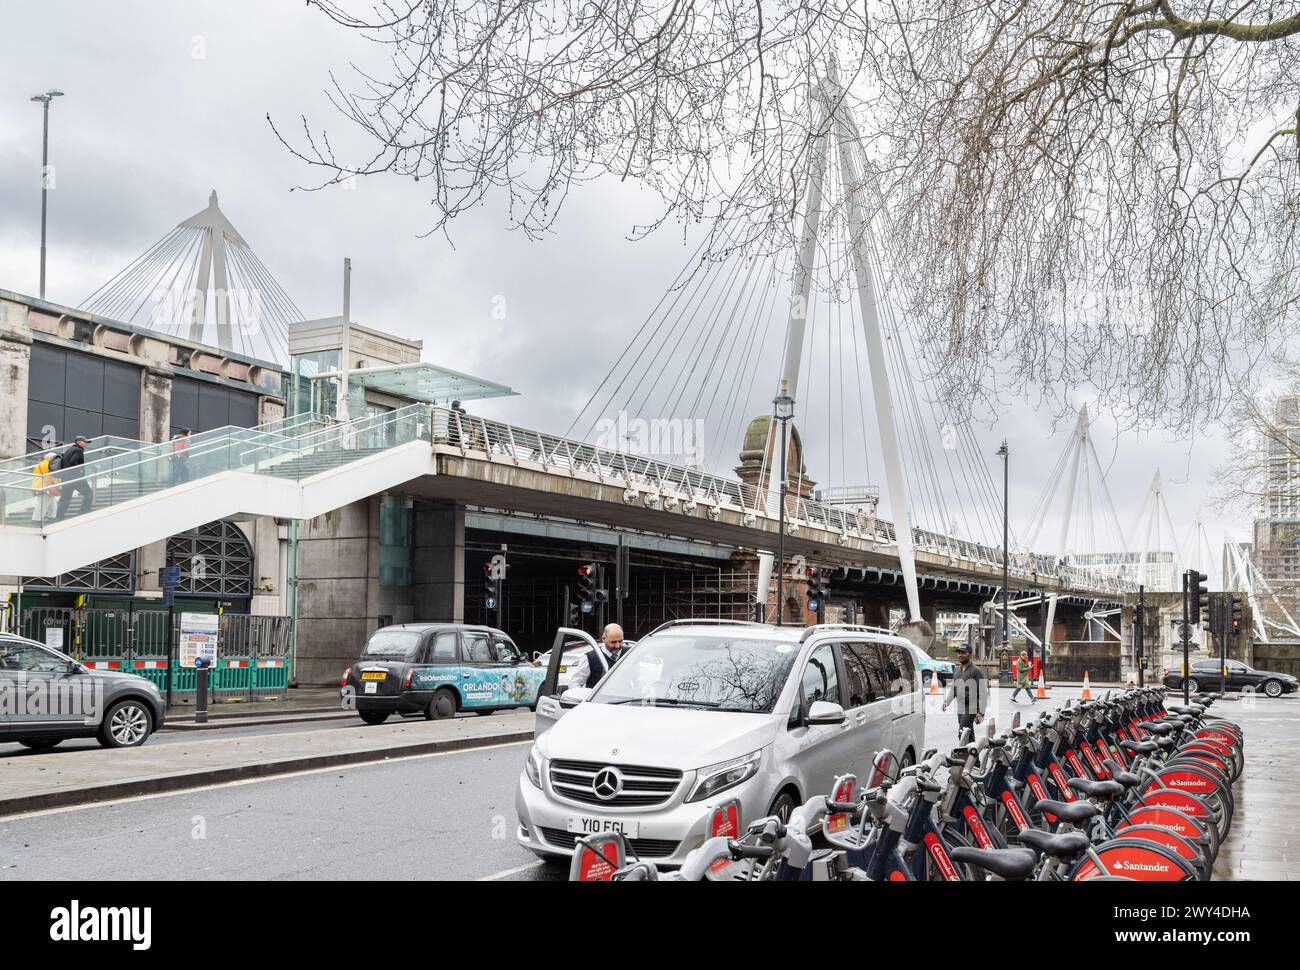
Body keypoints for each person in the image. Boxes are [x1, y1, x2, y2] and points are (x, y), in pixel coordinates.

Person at [942, 644, 988, 739]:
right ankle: (973, 752)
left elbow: (983, 692)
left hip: (972, 706)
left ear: (970, 655)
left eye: (964, 653)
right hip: (961, 706)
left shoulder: (976, 671)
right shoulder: (957, 670)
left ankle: (962, 752)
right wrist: (947, 701)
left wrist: (982, 712)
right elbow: (954, 688)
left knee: (962, 732)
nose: (960, 655)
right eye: (959, 653)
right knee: (968, 734)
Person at [568, 623, 626, 690]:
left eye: (620, 641)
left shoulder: (629, 654)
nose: (617, 646)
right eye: (613, 642)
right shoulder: (590, 658)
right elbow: (574, 684)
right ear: (603, 639)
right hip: (598, 700)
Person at [55, 435, 92, 520]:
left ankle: (59, 517)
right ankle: (84, 512)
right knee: (89, 493)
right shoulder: (79, 450)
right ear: (78, 442)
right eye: (84, 442)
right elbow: (73, 462)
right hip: (76, 478)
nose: (86, 443)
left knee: (65, 499)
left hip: (66, 478)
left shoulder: (69, 450)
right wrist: (80, 471)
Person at [31, 451, 60, 523]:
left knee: (51, 502)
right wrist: (59, 485)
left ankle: (52, 516)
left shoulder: (40, 464)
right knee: (43, 503)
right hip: (46, 486)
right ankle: (36, 519)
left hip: (38, 485)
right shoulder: (49, 465)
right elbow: (53, 476)